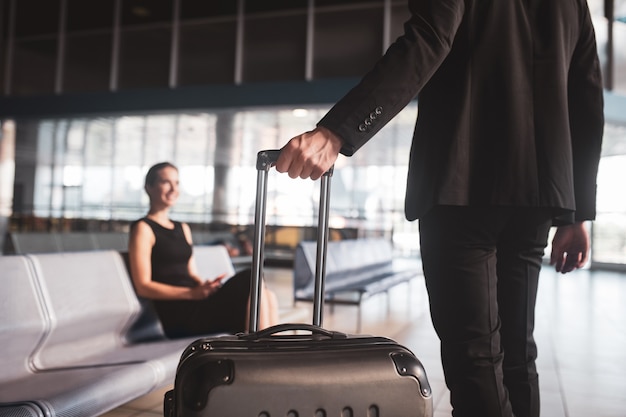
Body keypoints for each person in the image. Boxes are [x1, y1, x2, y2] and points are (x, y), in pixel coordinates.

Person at [275, 1, 604, 417]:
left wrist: (336, 132)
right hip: (536, 196)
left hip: (461, 183)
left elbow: (428, 40)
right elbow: (587, 93)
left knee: (475, 361)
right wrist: (578, 214)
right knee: (518, 357)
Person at [128, 162, 279, 338]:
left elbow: (191, 273)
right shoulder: (143, 228)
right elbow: (143, 286)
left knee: (267, 294)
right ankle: (262, 352)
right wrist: (191, 293)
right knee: (250, 278)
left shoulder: (182, 228)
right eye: (165, 182)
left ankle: (270, 348)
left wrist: (205, 286)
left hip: (196, 301)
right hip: (178, 312)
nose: (173, 189)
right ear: (149, 188)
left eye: (176, 183)